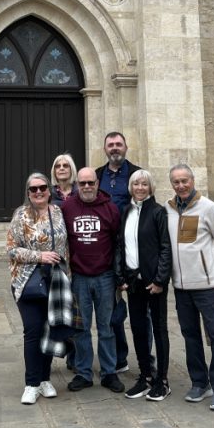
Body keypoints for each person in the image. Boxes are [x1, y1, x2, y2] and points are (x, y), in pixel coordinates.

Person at [165, 163, 214, 412]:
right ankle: (199, 382)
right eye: (176, 182)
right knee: (190, 335)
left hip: (208, 285)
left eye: (185, 180)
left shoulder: (209, 208)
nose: (181, 185)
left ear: (192, 181)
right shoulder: (168, 210)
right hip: (181, 286)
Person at [6, 172, 68, 405]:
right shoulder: (20, 215)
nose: (39, 192)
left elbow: (66, 246)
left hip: (55, 280)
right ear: (28, 193)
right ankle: (31, 383)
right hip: (27, 281)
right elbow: (12, 250)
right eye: (34, 189)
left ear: (49, 190)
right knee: (32, 331)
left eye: (42, 187)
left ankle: (44, 378)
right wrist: (39, 256)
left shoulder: (58, 212)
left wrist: (66, 275)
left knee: (50, 329)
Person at [62, 167, 124, 393]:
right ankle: (83, 372)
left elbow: (118, 242)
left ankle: (109, 373)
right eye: (82, 183)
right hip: (79, 277)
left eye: (91, 183)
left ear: (98, 184)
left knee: (107, 327)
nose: (87, 187)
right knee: (81, 328)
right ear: (76, 184)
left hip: (105, 277)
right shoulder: (67, 207)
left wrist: (119, 275)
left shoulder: (111, 208)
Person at [116, 169, 172, 401]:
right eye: (136, 184)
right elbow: (120, 246)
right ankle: (146, 376)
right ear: (130, 187)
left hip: (153, 282)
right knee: (139, 329)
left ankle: (163, 381)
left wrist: (160, 280)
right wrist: (121, 277)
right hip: (133, 282)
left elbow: (165, 248)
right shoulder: (126, 211)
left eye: (144, 184)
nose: (140, 188)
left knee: (159, 329)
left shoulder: (158, 212)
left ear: (151, 188)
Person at [95, 131, 144, 373]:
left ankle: (145, 360)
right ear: (105, 149)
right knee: (112, 308)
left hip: (132, 248)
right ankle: (119, 357)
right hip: (105, 248)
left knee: (140, 310)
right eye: (110, 145)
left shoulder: (137, 174)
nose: (115, 148)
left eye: (118, 144)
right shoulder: (97, 175)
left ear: (126, 147)